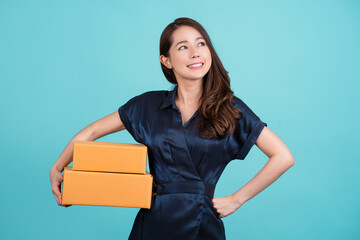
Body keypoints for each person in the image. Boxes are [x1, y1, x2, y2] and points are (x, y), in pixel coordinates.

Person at [50, 17, 294, 240]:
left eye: (201, 44)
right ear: (166, 60)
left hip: (202, 224)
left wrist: (236, 200)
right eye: (183, 47)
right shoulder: (147, 105)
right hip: (153, 221)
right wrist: (58, 167)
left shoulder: (230, 108)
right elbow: (90, 133)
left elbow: (283, 157)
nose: (195, 53)